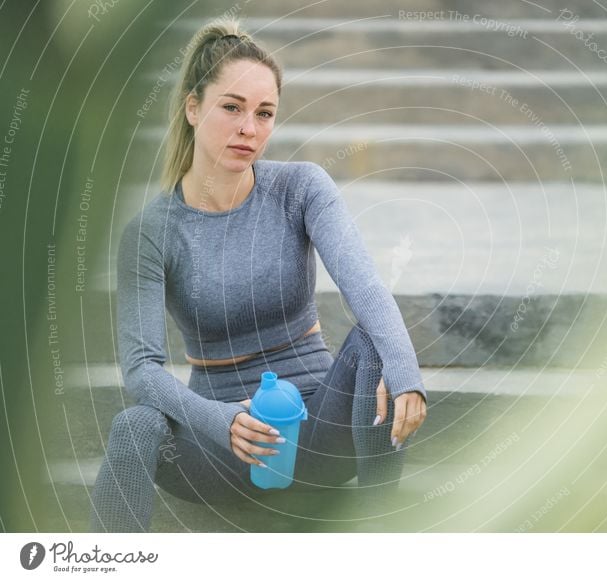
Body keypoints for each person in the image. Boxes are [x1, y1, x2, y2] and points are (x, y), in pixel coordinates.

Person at [88, 18, 427, 532]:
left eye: (264, 113)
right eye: (232, 107)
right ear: (193, 108)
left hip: (318, 433)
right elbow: (141, 369)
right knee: (134, 425)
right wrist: (221, 421)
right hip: (223, 451)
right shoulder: (151, 232)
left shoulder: (301, 188)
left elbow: (365, 289)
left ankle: (383, 543)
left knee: (378, 347)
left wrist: (407, 376)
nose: (249, 128)